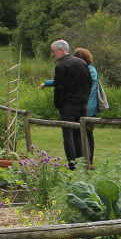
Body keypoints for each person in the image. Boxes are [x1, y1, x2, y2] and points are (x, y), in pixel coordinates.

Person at [39, 39, 91, 169]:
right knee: (79, 135)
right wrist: (85, 100)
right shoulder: (82, 63)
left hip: (68, 106)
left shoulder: (61, 66)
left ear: (61, 50)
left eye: (53, 52)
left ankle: (72, 165)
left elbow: (60, 89)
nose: (52, 54)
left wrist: (58, 104)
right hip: (82, 104)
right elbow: (89, 83)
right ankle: (82, 164)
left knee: (68, 136)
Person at [73, 47, 105, 164]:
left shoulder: (90, 70)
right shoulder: (87, 70)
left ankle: (89, 160)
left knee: (88, 134)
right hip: (84, 106)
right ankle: (84, 160)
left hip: (88, 107)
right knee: (82, 133)